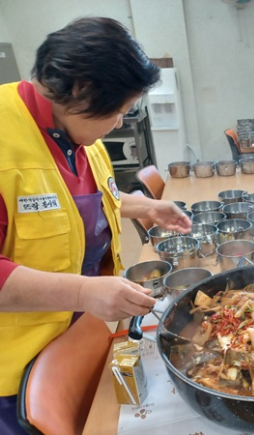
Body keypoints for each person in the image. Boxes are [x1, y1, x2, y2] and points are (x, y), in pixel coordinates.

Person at [0, 17, 192, 434]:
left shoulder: (75, 130)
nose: (121, 122)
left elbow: (64, 203)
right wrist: (85, 291)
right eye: (119, 110)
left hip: (84, 334)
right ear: (82, 91)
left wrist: (140, 208)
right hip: (18, 371)